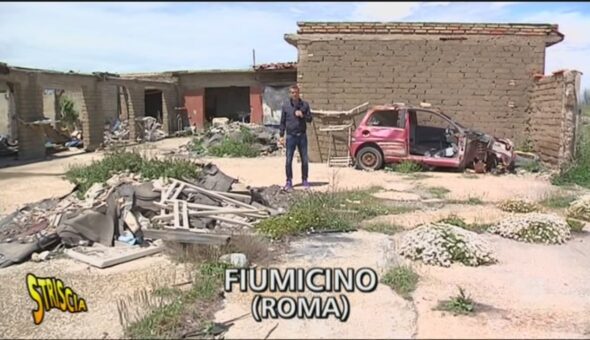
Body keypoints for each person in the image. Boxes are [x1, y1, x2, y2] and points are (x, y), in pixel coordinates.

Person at [279, 85, 313, 191]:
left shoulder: (305, 105)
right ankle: (289, 181)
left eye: (296, 92)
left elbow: (310, 119)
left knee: (304, 160)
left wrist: (303, 115)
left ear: (299, 93)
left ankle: (305, 179)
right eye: (292, 92)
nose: (294, 94)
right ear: (290, 94)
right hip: (290, 136)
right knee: (288, 160)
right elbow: (282, 122)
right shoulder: (286, 106)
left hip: (302, 136)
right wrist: (281, 135)